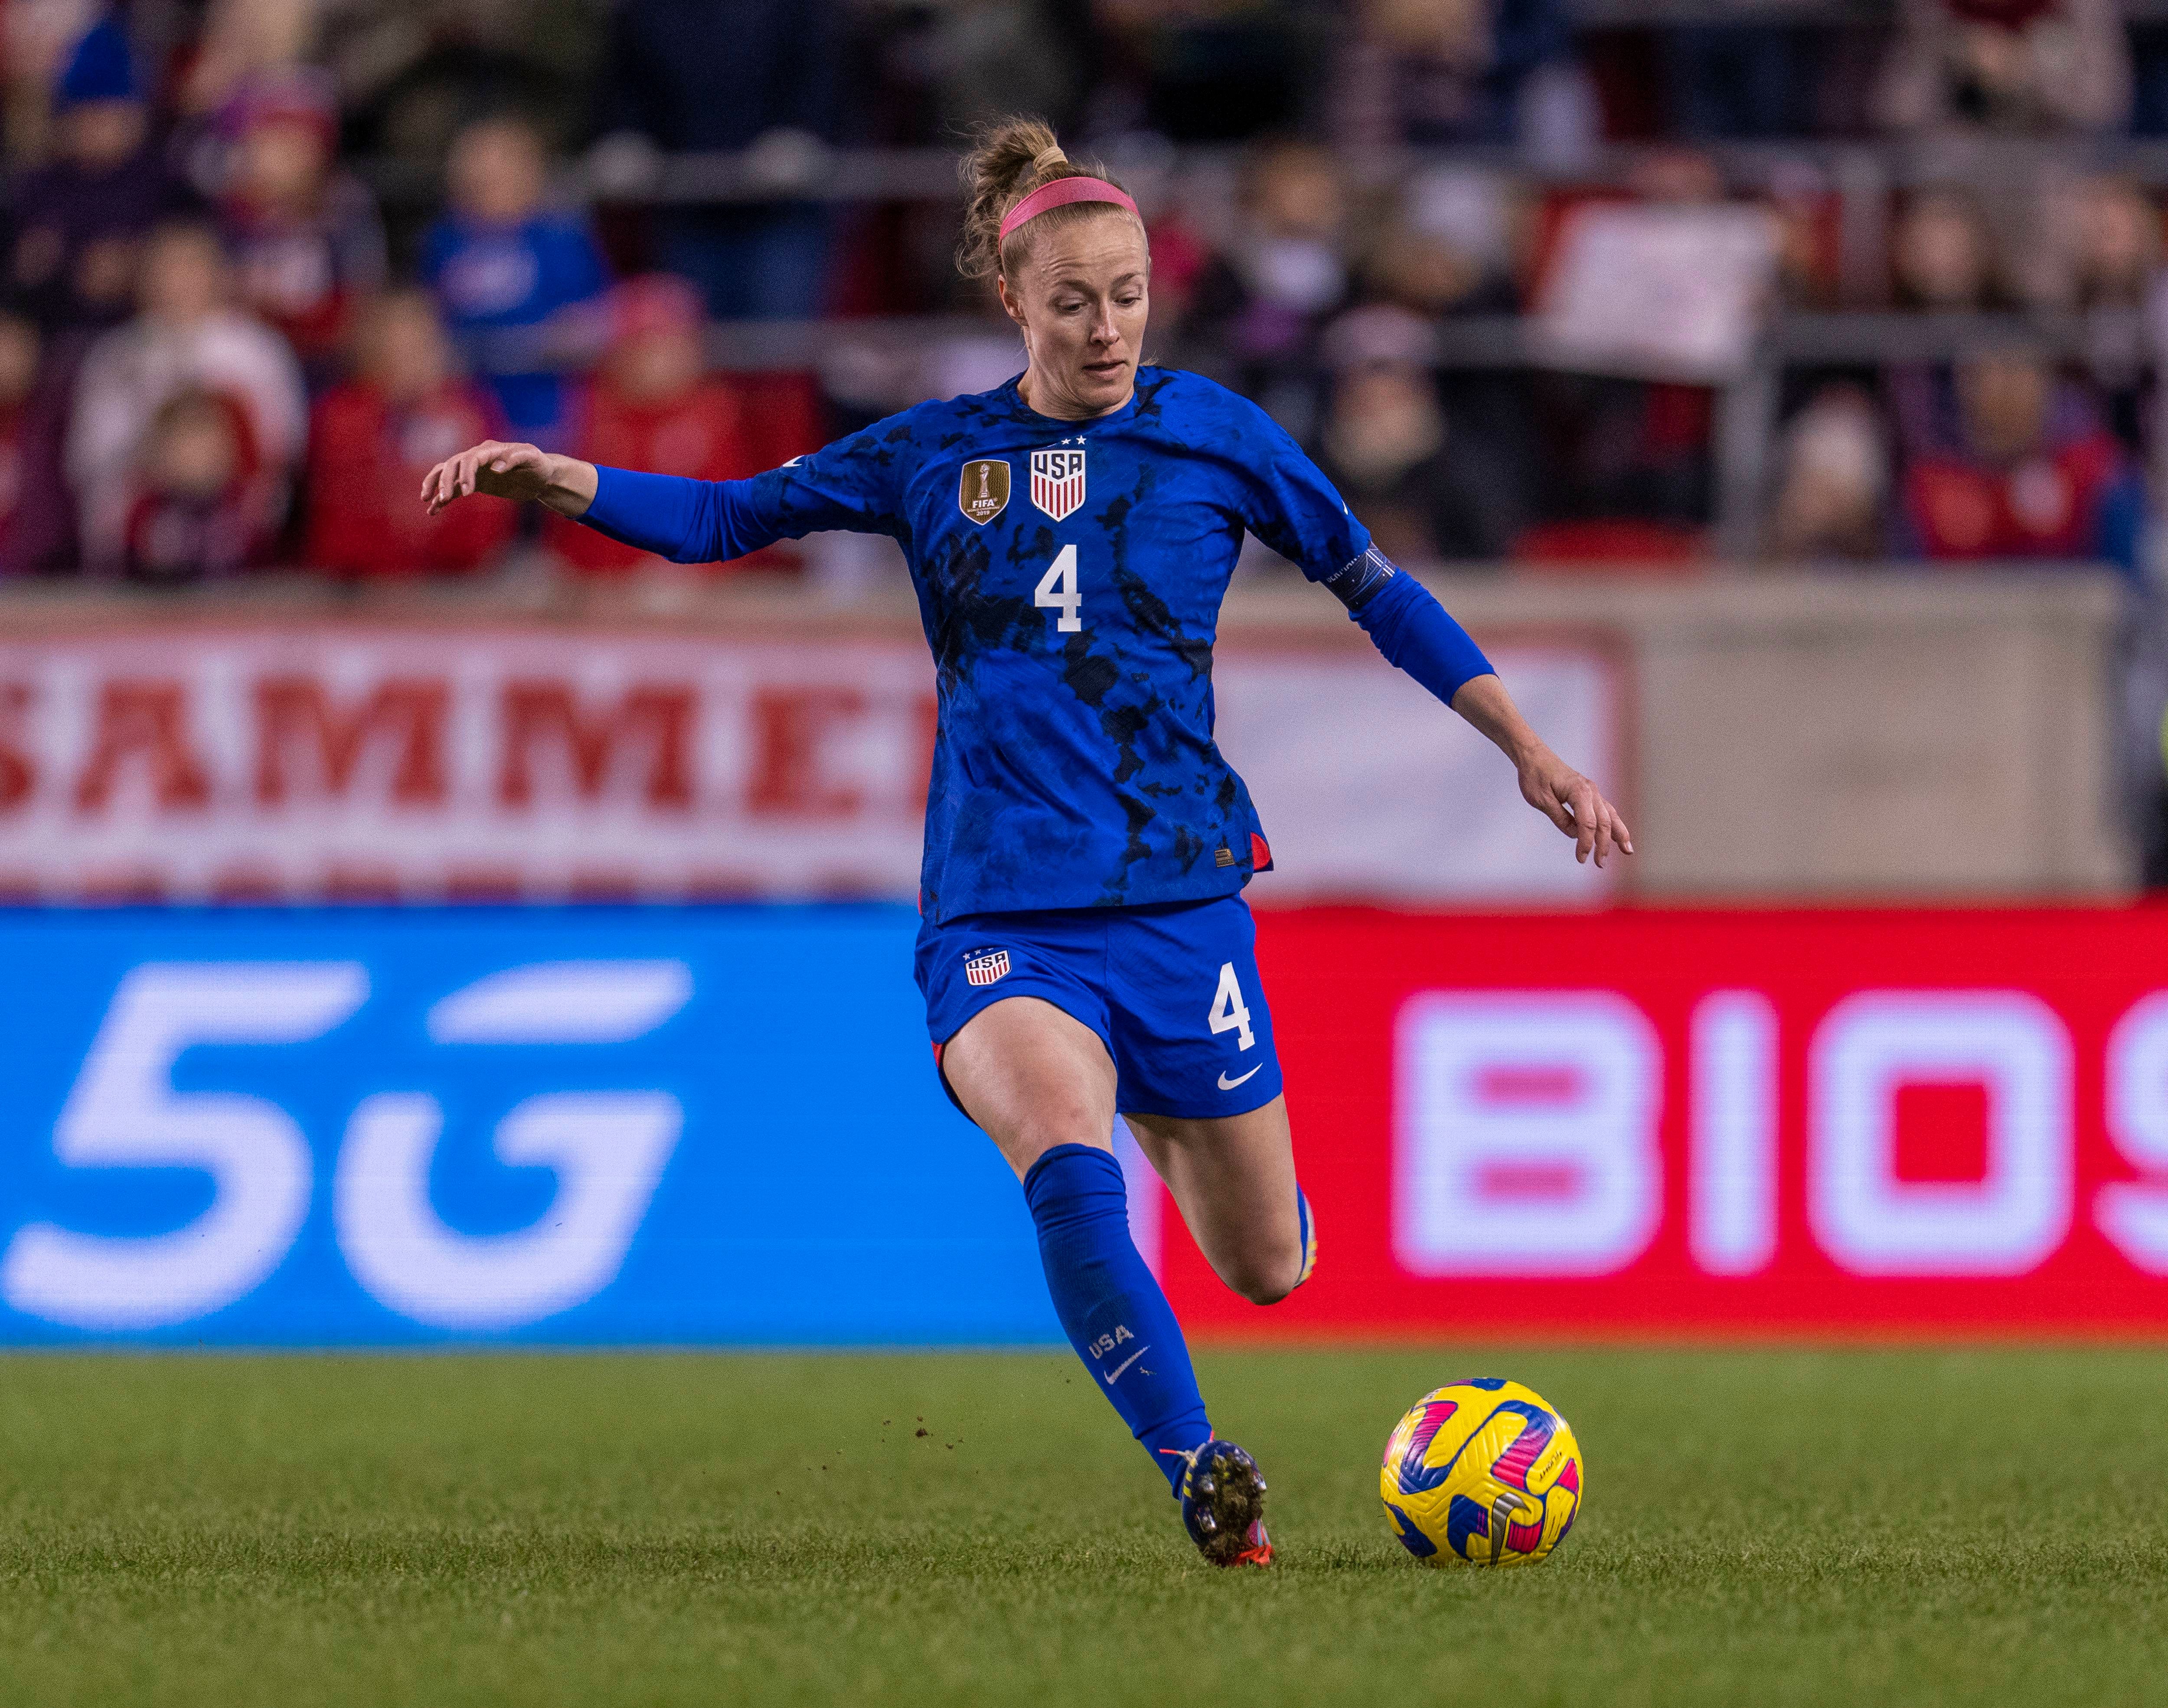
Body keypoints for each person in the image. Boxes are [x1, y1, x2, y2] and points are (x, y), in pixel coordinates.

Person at [418, 116, 1629, 1568]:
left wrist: (1530, 749)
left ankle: (1193, 1132)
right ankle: (1202, 1471)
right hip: (1003, 906)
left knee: (1268, 1263)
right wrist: (567, 481)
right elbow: (732, 516)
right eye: (1075, 299)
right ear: (1015, 298)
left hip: (1183, 899)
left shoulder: (1218, 435)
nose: (1108, 325)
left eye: (1127, 293)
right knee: (1065, 1148)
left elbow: (1380, 589)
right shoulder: (932, 451)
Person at [66, 221, 305, 572]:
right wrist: (159, 458)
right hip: (136, 543)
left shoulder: (258, 349)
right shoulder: (115, 354)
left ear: (218, 274)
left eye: (191, 266)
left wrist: (220, 460)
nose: (178, 280)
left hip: (240, 535)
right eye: (166, 268)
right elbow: (88, 456)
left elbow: (286, 445)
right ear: (144, 278)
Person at [418, 115, 609, 446]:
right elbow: (427, 322)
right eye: (479, 176)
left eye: (501, 175)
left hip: (550, 406)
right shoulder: (445, 242)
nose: (488, 185)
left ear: (530, 175)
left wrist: (533, 344)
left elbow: (593, 321)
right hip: (466, 408)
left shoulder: (561, 239)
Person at [304, 290, 513, 578]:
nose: (406, 367)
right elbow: (342, 521)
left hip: (458, 585)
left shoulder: (472, 414)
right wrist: (384, 415)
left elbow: (487, 519)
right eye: (391, 354)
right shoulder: (340, 417)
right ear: (368, 354)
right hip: (359, 588)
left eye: (417, 350)